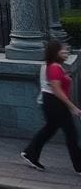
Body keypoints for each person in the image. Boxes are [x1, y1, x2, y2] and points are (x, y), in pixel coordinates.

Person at [21, 40, 81, 173]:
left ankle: (30, 153)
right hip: (55, 103)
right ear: (56, 53)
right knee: (71, 133)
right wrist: (72, 107)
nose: (66, 52)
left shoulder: (53, 66)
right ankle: (79, 165)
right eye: (63, 50)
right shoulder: (54, 67)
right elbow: (56, 90)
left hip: (53, 102)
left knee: (49, 130)